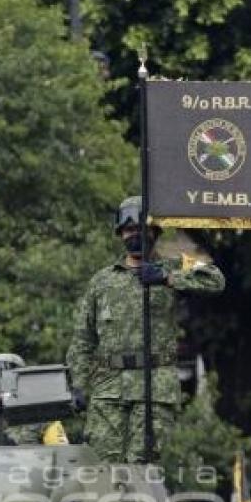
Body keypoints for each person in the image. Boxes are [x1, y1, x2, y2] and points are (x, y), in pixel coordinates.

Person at [66, 196, 224, 463]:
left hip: (153, 386)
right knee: (103, 464)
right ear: (120, 234)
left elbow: (216, 279)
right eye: (128, 230)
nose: (134, 235)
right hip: (108, 389)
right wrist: (78, 385)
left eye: (140, 228)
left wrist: (167, 278)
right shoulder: (103, 281)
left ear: (154, 232)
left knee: (140, 467)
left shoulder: (173, 266)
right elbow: (83, 340)